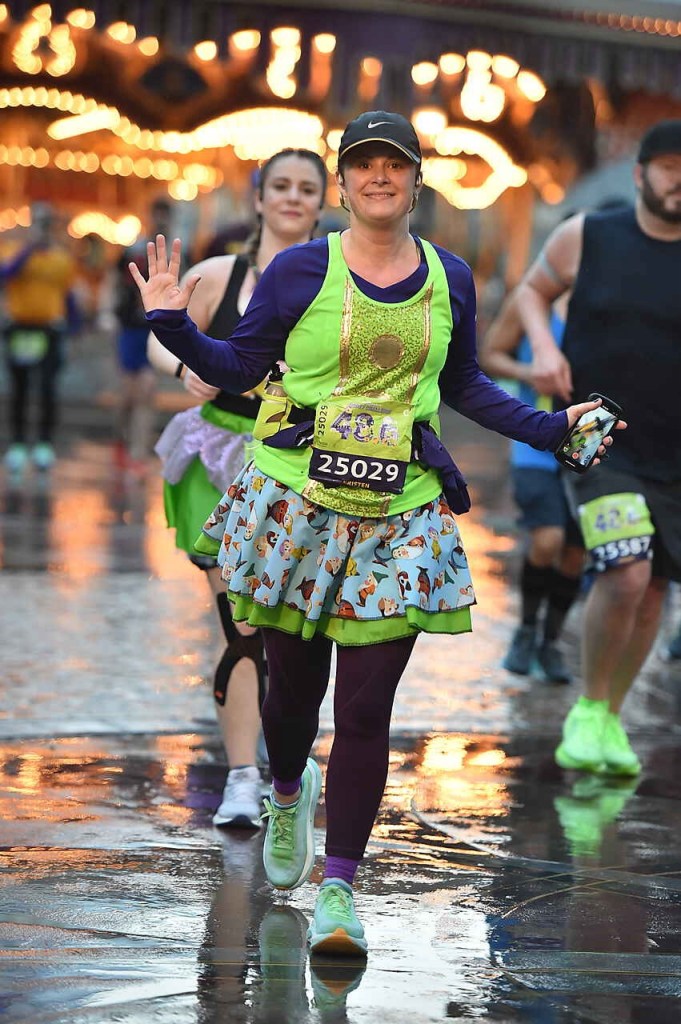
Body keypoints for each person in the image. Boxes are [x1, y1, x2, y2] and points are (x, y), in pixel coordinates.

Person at [129, 110, 615, 957]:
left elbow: (463, 382)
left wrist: (551, 429)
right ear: (343, 184)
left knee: (365, 711)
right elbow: (241, 368)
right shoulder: (296, 270)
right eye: (363, 166)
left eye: (395, 165)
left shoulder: (449, 276)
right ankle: (287, 789)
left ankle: (341, 892)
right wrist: (173, 326)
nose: (379, 177)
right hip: (294, 506)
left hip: (401, 513)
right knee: (290, 700)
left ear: (416, 182)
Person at [147, 149, 327, 828]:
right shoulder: (221, 274)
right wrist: (181, 369)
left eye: (305, 188)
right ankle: (241, 777)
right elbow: (164, 334)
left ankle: (286, 767)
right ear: (258, 198)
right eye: (279, 185)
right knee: (242, 621)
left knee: (288, 629)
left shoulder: (337, 279)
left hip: (303, 463)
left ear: (320, 201)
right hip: (219, 456)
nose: (290, 197)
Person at [515, 118, 681, 778]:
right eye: (668, 167)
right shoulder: (588, 234)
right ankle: (586, 706)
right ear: (640, 174)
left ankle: (607, 718)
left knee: (654, 589)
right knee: (625, 567)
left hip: (674, 442)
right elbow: (531, 290)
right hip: (595, 428)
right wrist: (546, 349)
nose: (678, 181)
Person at [480, 290, 583, 683]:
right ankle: (525, 630)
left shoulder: (606, 301)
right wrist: (530, 373)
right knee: (548, 539)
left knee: (577, 553)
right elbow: (489, 356)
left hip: (589, 443)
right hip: (535, 446)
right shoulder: (531, 303)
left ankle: (550, 642)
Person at [1, 202, 78, 473]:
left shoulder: (61, 259)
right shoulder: (14, 253)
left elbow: (68, 295)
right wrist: (30, 249)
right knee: (19, 387)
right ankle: (18, 444)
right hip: (20, 328)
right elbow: (5, 276)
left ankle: (44, 444)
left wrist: (74, 327)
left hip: (49, 330)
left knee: (47, 388)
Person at [113, 197, 177, 471]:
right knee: (130, 393)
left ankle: (138, 451)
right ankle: (123, 436)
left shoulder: (176, 254)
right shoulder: (133, 250)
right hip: (130, 328)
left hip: (156, 330)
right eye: (157, 215)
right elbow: (114, 281)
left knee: (147, 390)